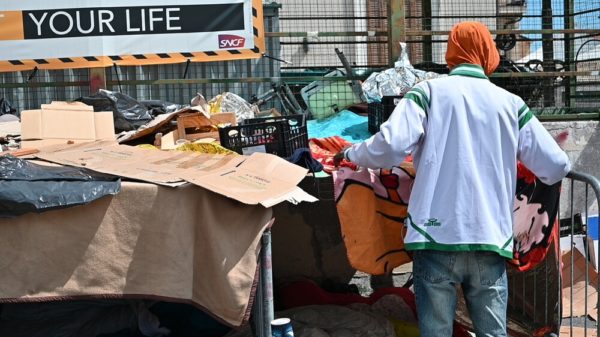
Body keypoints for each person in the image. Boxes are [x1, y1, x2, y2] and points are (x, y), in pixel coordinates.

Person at [334, 21, 570, 337]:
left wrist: (351, 154)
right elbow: (556, 165)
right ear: (488, 54)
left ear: (451, 54)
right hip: (489, 239)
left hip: (434, 237)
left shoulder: (426, 94)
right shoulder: (511, 105)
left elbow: (389, 149)